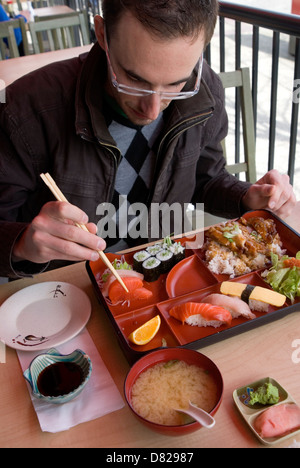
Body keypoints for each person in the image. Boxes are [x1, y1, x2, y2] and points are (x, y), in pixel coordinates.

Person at [0, 0, 296, 279]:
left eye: (175, 84)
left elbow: (205, 178)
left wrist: (247, 197)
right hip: (68, 288)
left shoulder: (204, 89)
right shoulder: (26, 108)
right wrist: (22, 244)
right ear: (102, 33)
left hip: (162, 273)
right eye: (134, 79)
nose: (152, 110)